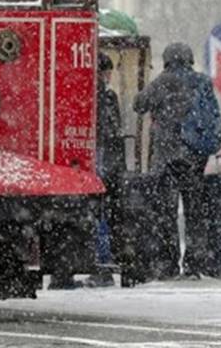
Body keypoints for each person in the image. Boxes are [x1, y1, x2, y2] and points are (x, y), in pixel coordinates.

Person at [132, 42, 220, 279]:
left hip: (167, 156)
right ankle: (194, 264)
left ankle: (168, 264)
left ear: (168, 59)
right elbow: (213, 116)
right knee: (195, 212)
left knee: (166, 212)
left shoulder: (163, 81)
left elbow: (138, 104)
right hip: (195, 156)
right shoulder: (202, 81)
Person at [87, 52, 126, 287]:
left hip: (86, 162)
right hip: (102, 161)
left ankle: (94, 266)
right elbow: (113, 131)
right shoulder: (106, 97)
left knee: (92, 214)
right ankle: (103, 265)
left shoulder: (81, 93)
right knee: (101, 215)